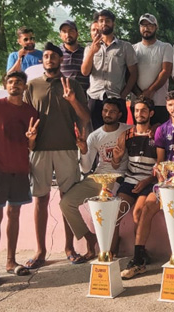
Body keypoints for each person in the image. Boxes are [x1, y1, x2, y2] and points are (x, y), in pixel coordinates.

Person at [119, 90, 174, 279]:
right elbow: (160, 161)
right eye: (170, 105)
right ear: (166, 107)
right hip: (167, 183)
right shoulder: (162, 130)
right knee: (147, 208)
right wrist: (159, 172)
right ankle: (138, 259)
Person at [24, 42, 91, 268]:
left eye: (54, 56)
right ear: (41, 60)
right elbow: (24, 119)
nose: (49, 59)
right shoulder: (31, 86)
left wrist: (72, 99)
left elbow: (85, 117)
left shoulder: (71, 84)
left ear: (61, 60)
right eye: (46, 56)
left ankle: (69, 248)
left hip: (67, 149)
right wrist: (29, 141)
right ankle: (40, 250)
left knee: (67, 200)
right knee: (40, 200)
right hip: (39, 150)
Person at [0, 71, 39, 287]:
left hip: (20, 171)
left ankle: (10, 261)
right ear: (5, 85)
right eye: (11, 82)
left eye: (19, 82)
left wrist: (31, 140)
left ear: (25, 87)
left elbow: (30, 146)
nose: (15, 85)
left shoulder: (31, 112)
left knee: (14, 214)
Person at [59, 98, 130, 259]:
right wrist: (84, 151)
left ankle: (110, 245)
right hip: (97, 177)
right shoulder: (94, 136)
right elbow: (85, 168)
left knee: (106, 207)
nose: (108, 114)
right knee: (66, 203)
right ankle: (90, 238)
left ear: (119, 114)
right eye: (105, 111)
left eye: (112, 111)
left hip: (118, 177)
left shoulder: (128, 130)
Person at [112, 96, 159, 278]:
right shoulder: (127, 135)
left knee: (139, 212)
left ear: (151, 113)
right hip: (130, 181)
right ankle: (110, 252)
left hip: (149, 182)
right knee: (116, 212)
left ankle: (138, 256)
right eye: (137, 110)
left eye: (143, 111)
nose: (139, 114)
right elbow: (116, 164)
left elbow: (161, 164)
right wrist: (116, 157)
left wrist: (147, 181)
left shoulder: (157, 133)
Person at [81, 9, 138, 129]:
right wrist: (92, 52)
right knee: (95, 136)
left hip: (116, 97)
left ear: (113, 23)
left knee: (118, 137)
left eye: (107, 20)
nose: (104, 23)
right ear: (97, 23)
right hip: (95, 98)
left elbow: (134, 73)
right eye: (101, 21)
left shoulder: (125, 47)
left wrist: (124, 94)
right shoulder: (89, 48)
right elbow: (85, 72)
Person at [133, 13, 173, 126]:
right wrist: (140, 96)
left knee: (159, 136)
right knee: (139, 137)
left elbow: (166, 71)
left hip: (159, 102)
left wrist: (150, 91)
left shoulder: (166, 47)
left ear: (156, 27)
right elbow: (129, 74)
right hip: (137, 104)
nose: (146, 28)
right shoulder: (132, 49)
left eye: (150, 25)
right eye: (143, 25)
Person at [58, 20, 90, 93]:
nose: (68, 34)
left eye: (71, 31)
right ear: (60, 35)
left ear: (77, 33)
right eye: (64, 31)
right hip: (62, 95)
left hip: (82, 97)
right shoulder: (56, 53)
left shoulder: (86, 52)